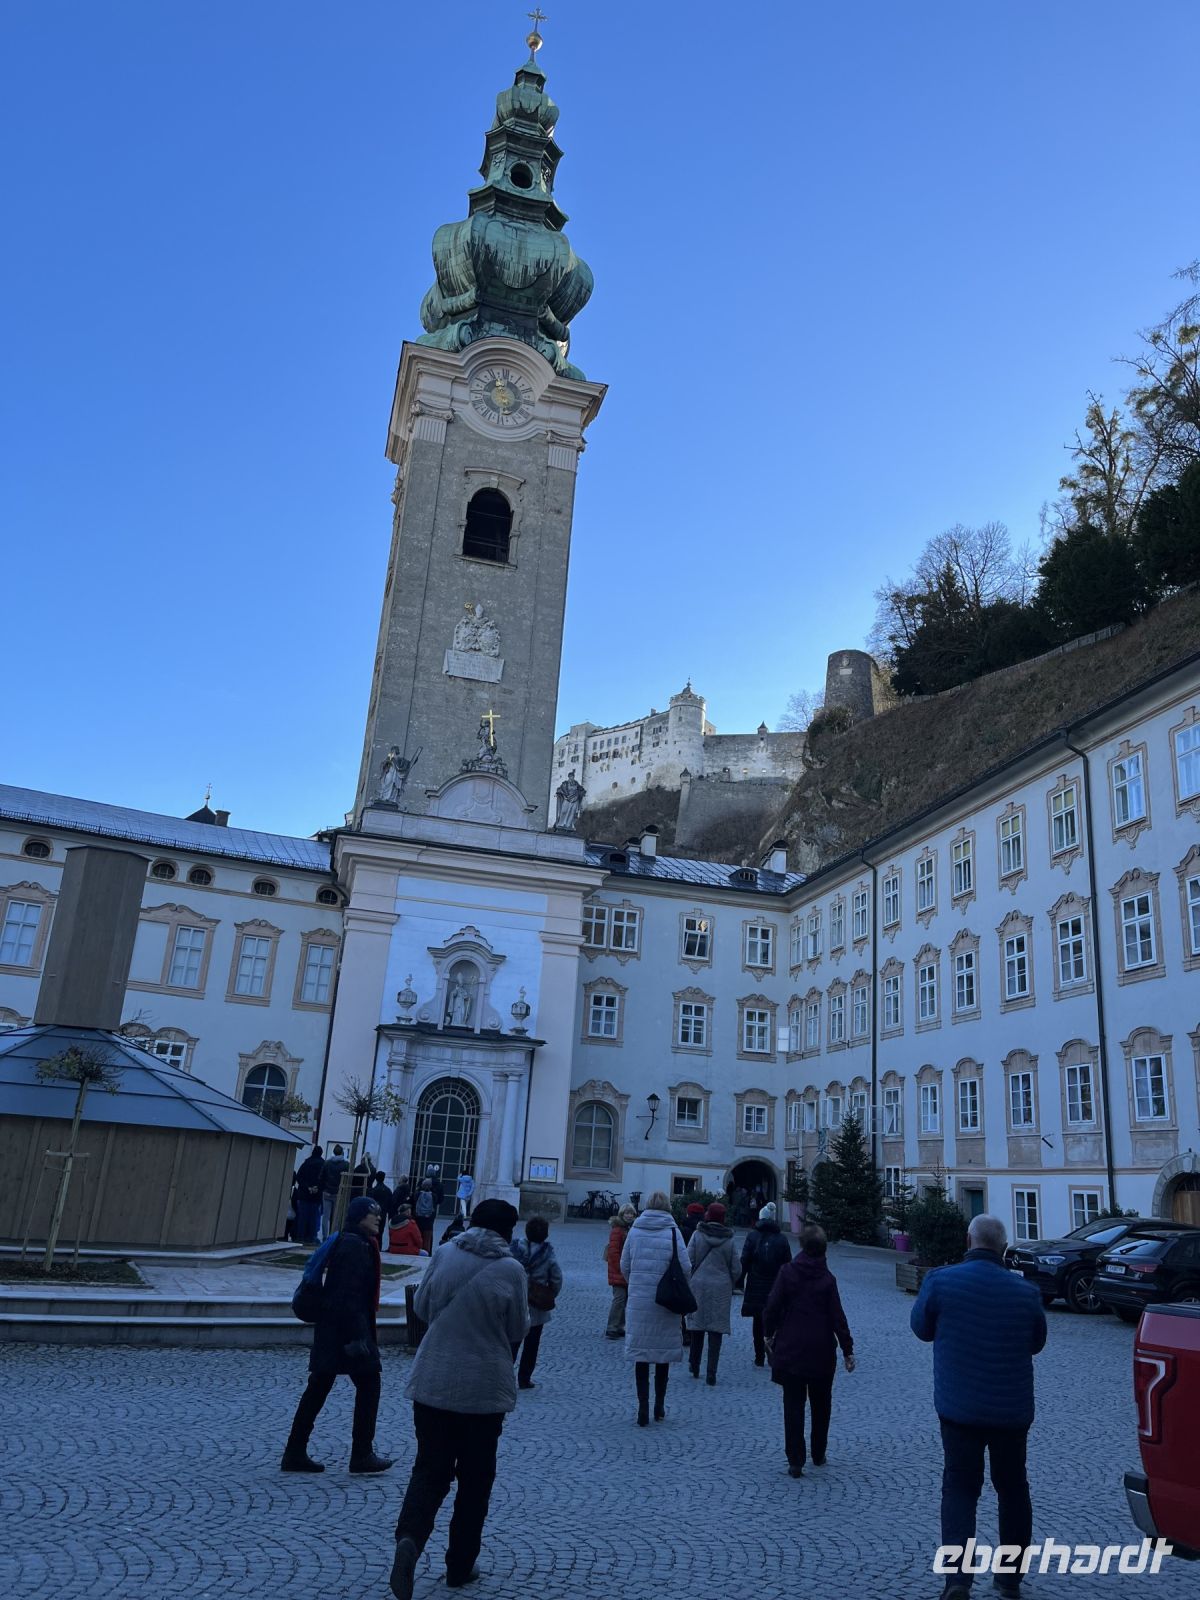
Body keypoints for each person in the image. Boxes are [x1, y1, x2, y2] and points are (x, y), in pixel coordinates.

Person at [389, 1199, 529, 1600]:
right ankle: (460, 1564)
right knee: (475, 1480)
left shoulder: (446, 1253)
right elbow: (518, 1327)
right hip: (483, 1389)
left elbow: (421, 1306)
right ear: (508, 1231)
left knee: (429, 1469)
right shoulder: (512, 1269)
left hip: (433, 1379)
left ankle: (410, 1540)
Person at [911, 1214, 1047, 1600]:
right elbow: (1037, 1342)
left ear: (968, 1241)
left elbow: (920, 1328)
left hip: (960, 1408)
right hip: (1011, 1411)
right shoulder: (1026, 1292)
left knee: (959, 1488)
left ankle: (957, 1580)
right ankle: (1010, 1578)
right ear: (1003, 1249)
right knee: (1013, 1489)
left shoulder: (941, 1281)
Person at [281, 1196, 393, 1475]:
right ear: (358, 1216)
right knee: (369, 1384)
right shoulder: (356, 1247)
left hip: (332, 1329)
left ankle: (295, 1451)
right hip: (346, 1332)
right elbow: (348, 1296)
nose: (378, 1218)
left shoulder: (350, 1241)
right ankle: (361, 1454)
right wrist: (359, 1338)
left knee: (318, 1387)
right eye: (372, 1213)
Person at [764, 1224, 855, 1477]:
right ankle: (818, 1452)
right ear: (824, 1249)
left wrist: (768, 1333)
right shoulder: (827, 1280)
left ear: (802, 1246)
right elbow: (838, 1317)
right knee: (821, 1404)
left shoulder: (787, 1273)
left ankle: (795, 1459)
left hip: (791, 1347)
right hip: (821, 1351)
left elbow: (772, 1306)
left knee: (793, 1404)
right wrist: (847, 1349)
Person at [619, 1190, 691, 1426]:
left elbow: (624, 1265)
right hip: (666, 1301)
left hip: (640, 1300)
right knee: (662, 1356)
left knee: (641, 1356)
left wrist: (636, 1283)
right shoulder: (673, 1231)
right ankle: (659, 1405)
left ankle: (642, 1408)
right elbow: (686, 1267)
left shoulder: (635, 1230)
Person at [685, 1201, 739, 1386]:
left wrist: (692, 1278)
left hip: (698, 1285)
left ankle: (694, 1364)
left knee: (697, 1327)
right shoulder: (729, 1240)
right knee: (716, 1331)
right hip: (721, 1287)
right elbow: (736, 1268)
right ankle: (711, 1372)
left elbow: (688, 1260)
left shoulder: (697, 1235)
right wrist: (729, 1281)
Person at [511, 1216, 563, 1389]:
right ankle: (524, 1378)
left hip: (515, 1302)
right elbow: (556, 1278)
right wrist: (549, 1294)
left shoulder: (514, 1249)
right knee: (532, 1345)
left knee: (512, 1341)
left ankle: (505, 1374)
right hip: (536, 1306)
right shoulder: (548, 1254)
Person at [740, 1200, 792, 1366]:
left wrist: (739, 1281)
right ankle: (772, 1352)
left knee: (757, 1321)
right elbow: (788, 1264)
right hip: (776, 1286)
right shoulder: (782, 1239)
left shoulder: (752, 1236)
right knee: (774, 1320)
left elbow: (744, 1261)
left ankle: (759, 1356)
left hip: (755, 1285)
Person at [604, 1204, 635, 1339]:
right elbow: (614, 1252)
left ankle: (620, 1326)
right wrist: (621, 1268)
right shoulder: (617, 1230)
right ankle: (612, 1327)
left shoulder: (629, 1229)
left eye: (631, 1213)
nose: (629, 1216)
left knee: (624, 1299)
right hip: (618, 1270)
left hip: (626, 1270)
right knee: (619, 1299)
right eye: (627, 1213)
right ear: (621, 1214)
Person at [293, 1145, 324, 1244]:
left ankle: (300, 1236)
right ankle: (312, 1237)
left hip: (304, 1195)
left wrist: (308, 1187)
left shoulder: (306, 1163)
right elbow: (324, 1179)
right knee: (314, 1217)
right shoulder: (323, 1164)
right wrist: (317, 1188)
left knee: (302, 1217)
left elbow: (299, 1177)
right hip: (316, 1196)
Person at [319, 1144, 349, 1238]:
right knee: (336, 1217)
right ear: (342, 1153)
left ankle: (324, 1237)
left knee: (325, 1216)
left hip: (327, 1192)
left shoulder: (327, 1163)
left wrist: (323, 1188)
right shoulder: (346, 1165)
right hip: (338, 1193)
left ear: (334, 1152)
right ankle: (333, 1237)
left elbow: (321, 1177)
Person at [414, 1179, 438, 1253]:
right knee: (427, 1240)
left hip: (419, 1219)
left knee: (418, 1238)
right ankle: (426, 1254)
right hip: (428, 1220)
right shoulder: (433, 1195)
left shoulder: (417, 1194)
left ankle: (418, 1252)